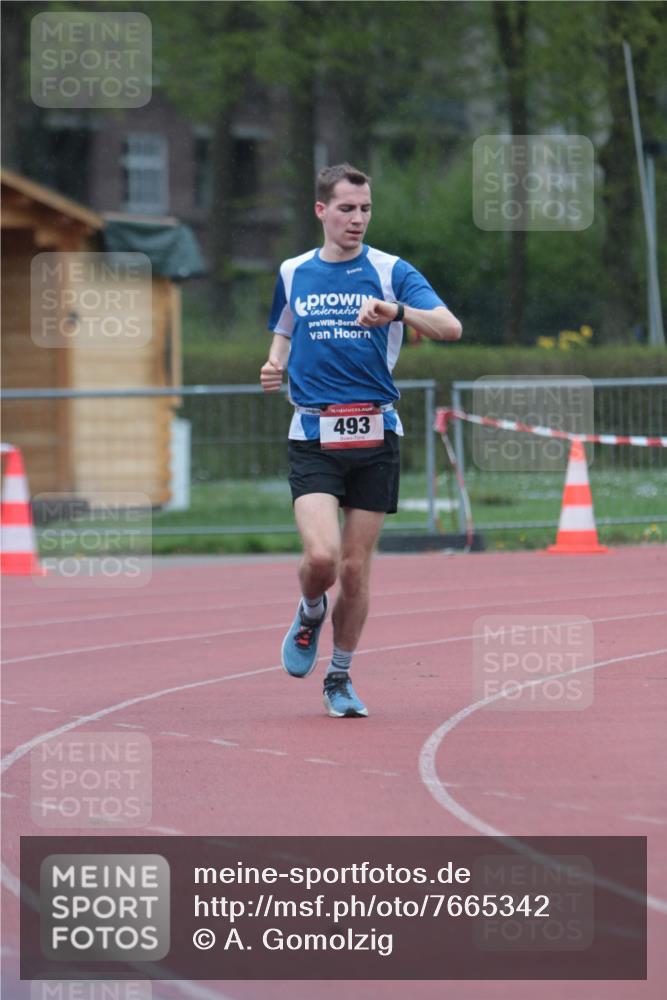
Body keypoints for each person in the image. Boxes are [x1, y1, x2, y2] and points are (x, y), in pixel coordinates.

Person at [260, 163, 462, 718]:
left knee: (354, 569)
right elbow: (284, 326)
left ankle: (340, 678)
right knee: (321, 558)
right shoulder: (294, 270)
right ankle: (308, 613)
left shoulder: (390, 270)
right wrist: (274, 363)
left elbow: (450, 328)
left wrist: (397, 311)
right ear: (321, 211)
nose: (358, 219)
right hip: (314, 433)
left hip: (375, 433)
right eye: (346, 208)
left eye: (365, 208)